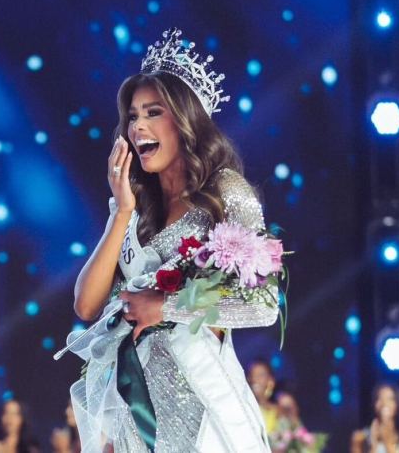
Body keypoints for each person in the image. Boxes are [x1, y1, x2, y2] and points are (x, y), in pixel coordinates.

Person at [70, 28, 278, 452]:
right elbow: (86, 305)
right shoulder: (134, 205)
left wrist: (163, 306)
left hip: (205, 408)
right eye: (132, 116)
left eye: (153, 112)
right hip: (142, 411)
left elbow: (264, 304)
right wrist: (122, 209)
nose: (138, 126)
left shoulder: (224, 193)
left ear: (185, 119)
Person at [351, 383, 399, 453]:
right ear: (374, 403)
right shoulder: (360, 437)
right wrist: (374, 444)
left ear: (397, 403)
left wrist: (386, 441)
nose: (384, 403)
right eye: (379, 398)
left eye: (390, 399)